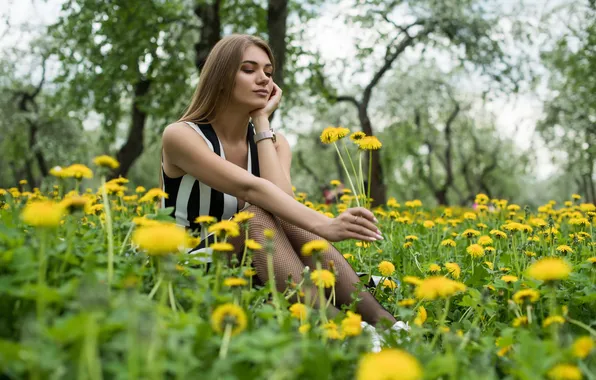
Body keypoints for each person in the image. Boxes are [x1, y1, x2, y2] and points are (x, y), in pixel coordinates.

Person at [160, 34, 406, 335]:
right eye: (248, 69)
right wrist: (325, 225)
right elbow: (254, 191)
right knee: (256, 216)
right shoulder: (181, 136)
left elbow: (284, 205)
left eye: (268, 72)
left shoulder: (275, 143)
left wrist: (262, 122)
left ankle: (390, 326)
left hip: (255, 265)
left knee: (269, 214)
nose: (263, 79)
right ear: (221, 77)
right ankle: (342, 329)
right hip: (189, 266)